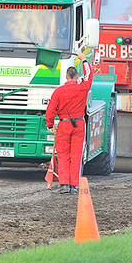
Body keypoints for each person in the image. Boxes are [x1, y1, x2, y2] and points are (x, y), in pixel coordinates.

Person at [45, 52, 93, 195]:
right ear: (77, 77)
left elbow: (50, 110)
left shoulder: (59, 92)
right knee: (76, 155)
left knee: (64, 155)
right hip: (79, 124)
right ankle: (74, 186)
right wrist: (84, 60)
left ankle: (64, 185)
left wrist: (50, 125)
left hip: (64, 125)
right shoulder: (82, 88)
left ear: (66, 76)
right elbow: (89, 76)